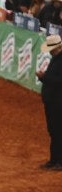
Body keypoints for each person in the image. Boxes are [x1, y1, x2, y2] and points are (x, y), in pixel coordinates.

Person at [36, 34, 62, 169]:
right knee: (53, 131)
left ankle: (59, 162)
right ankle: (54, 160)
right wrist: (44, 77)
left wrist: (44, 77)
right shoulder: (56, 58)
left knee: (58, 131)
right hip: (52, 102)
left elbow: (59, 82)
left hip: (58, 103)